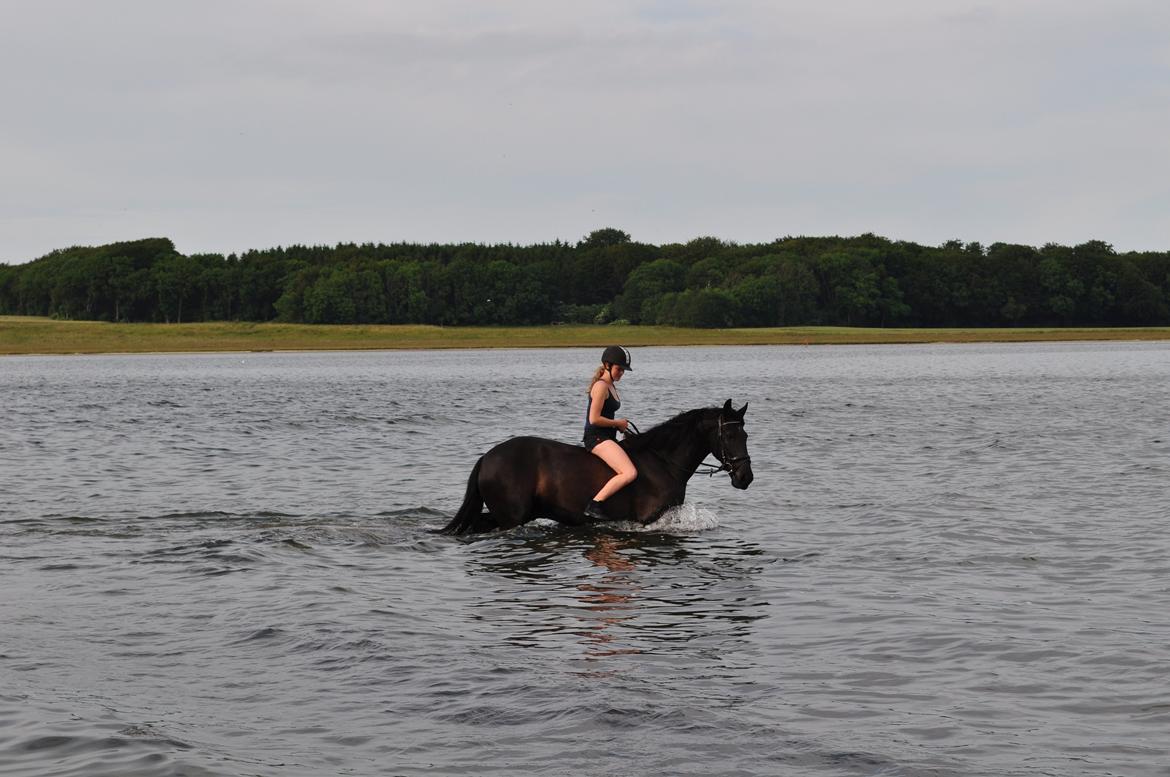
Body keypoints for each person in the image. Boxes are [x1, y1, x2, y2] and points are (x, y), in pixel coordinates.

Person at [582, 345, 637, 520]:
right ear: (607, 365)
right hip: (596, 438)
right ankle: (594, 504)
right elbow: (594, 419)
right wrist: (617, 423)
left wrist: (619, 427)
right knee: (629, 473)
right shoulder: (601, 386)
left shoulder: (610, 385)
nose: (622, 373)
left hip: (608, 436)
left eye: (623, 370)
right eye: (619, 369)